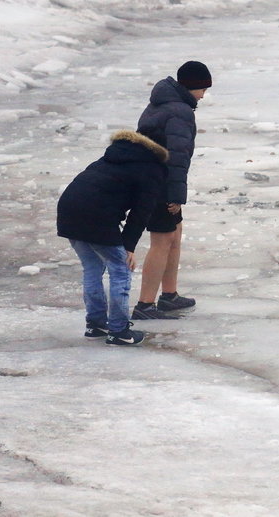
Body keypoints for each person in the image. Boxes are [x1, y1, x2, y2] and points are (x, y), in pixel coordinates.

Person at [57, 130, 169, 346]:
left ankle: (96, 323)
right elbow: (141, 211)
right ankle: (118, 331)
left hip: (69, 211)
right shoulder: (152, 167)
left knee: (92, 268)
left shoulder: (114, 154)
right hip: (97, 216)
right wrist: (128, 247)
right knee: (121, 269)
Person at [132, 60, 212, 320]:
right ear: (193, 86)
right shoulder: (179, 111)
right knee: (162, 240)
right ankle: (145, 305)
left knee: (174, 236)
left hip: (151, 178)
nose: (204, 94)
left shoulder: (163, 103)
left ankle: (169, 295)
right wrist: (175, 196)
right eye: (203, 88)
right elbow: (176, 157)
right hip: (158, 182)